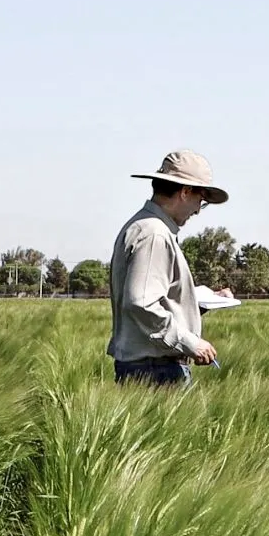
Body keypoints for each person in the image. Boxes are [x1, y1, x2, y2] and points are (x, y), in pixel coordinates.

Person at [107, 149, 230, 388]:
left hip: (146, 366)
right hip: (155, 369)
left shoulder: (141, 225)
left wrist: (199, 299)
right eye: (200, 201)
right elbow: (141, 302)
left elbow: (150, 295)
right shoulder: (155, 234)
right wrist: (190, 343)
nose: (197, 210)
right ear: (185, 192)